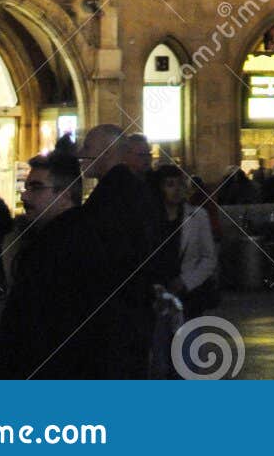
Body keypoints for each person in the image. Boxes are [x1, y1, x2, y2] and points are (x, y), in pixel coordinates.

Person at [72, 125, 159, 379]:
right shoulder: (130, 190)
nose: (80, 153)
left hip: (114, 320)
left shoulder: (114, 195)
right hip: (129, 315)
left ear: (107, 151)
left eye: (87, 147)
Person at [0, 151, 86, 378]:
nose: (25, 197)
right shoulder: (42, 238)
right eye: (26, 188)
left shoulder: (64, 246)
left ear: (64, 194)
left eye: (35, 188)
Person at [149, 163, 219, 378]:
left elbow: (208, 258)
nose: (177, 189)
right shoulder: (149, 220)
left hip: (188, 297)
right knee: (159, 357)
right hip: (157, 296)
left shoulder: (197, 217)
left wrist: (186, 281)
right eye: (170, 185)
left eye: (180, 184)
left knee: (187, 358)